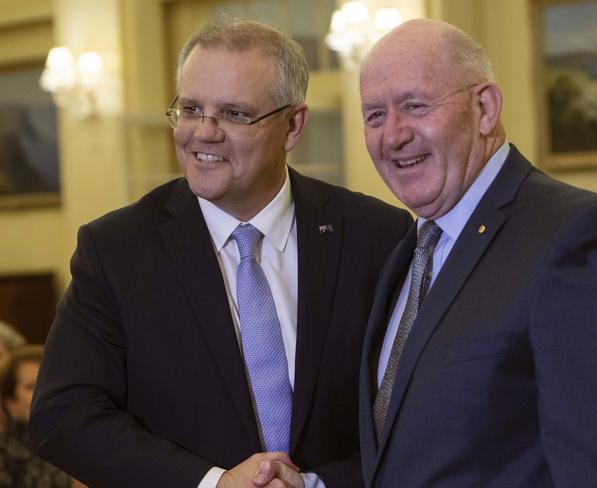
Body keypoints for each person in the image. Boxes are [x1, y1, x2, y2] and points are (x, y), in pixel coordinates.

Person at [29, 17, 411, 488]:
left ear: (293, 126)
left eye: (234, 113)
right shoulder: (115, 250)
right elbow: (62, 414)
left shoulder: (379, 236)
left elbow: (415, 412)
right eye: (190, 108)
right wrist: (213, 484)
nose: (203, 133)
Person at [357, 18, 597, 487]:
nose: (392, 135)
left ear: (486, 108)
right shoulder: (406, 255)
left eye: (414, 105)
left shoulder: (574, 234)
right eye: (374, 115)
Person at [0, 345, 70, 487]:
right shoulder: (4, 454)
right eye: (31, 386)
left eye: (49, 382)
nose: (44, 392)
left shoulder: (78, 438)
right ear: (11, 403)